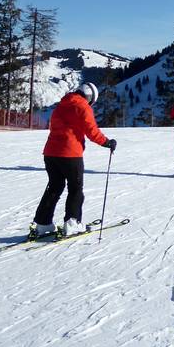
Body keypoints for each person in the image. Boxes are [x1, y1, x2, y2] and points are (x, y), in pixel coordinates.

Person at [29, 82, 117, 239]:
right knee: (75, 188)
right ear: (90, 97)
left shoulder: (61, 104)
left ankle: (42, 224)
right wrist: (107, 142)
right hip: (70, 154)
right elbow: (91, 130)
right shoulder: (83, 106)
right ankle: (72, 223)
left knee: (54, 187)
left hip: (50, 153)